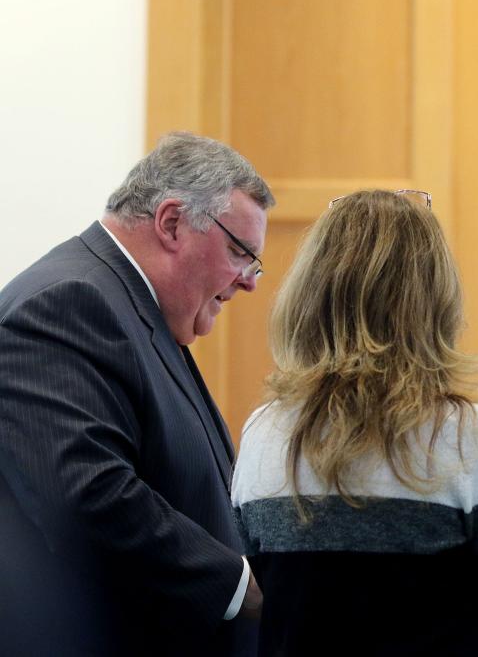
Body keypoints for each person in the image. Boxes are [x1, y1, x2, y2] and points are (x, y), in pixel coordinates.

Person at [231, 189, 478, 657]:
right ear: (433, 299)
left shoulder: (263, 431)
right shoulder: (475, 437)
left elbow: (264, 598)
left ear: (310, 294)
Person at [0, 132, 274, 656]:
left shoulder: (131, 308)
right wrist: (242, 585)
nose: (249, 282)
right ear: (172, 222)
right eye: (241, 252)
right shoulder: (67, 303)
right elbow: (89, 497)